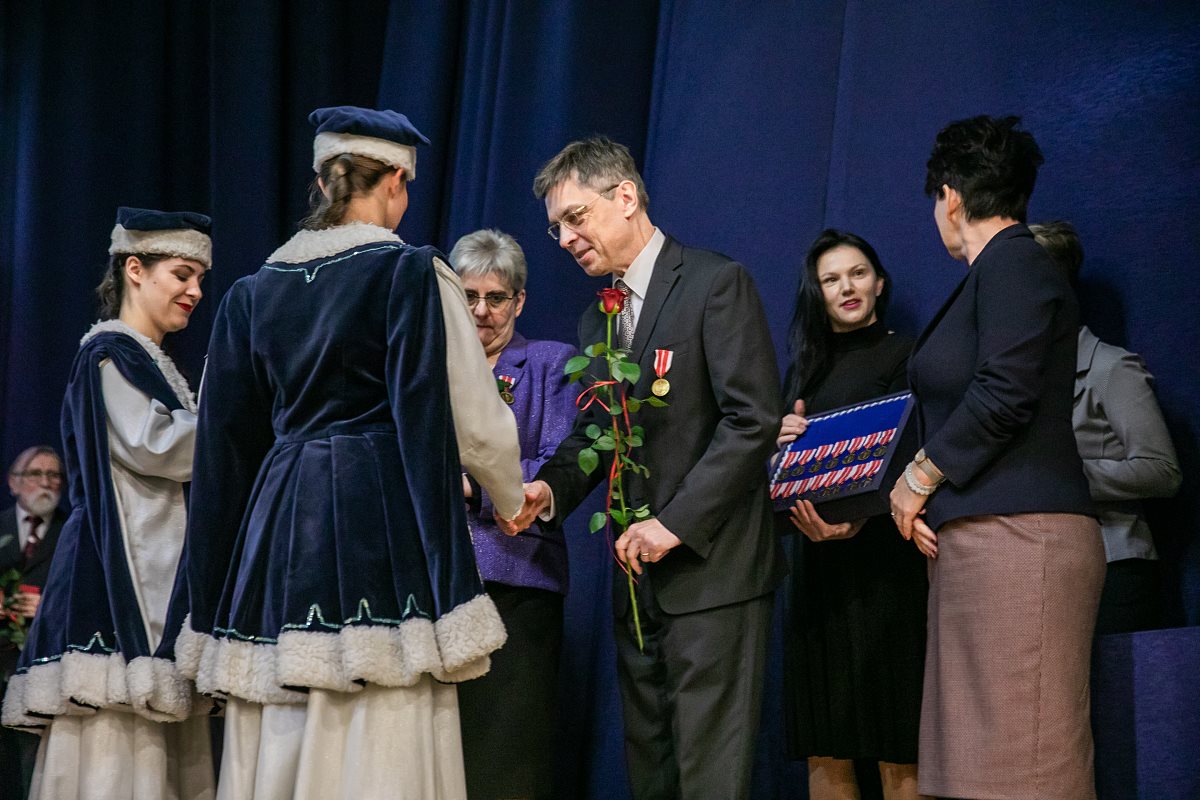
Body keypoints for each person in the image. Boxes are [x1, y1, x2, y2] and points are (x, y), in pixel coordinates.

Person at [174, 107, 525, 799]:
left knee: (282, 691)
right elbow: (474, 416)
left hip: (278, 524)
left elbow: (220, 448)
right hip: (377, 513)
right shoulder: (409, 273)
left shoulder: (250, 294)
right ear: (395, 181)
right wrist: (510, 496)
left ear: (321, 181)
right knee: (379, 694)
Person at [504, 136, 785, 800]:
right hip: (636, 580)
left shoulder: (715, 284)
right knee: (650, 770)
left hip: (711, 573)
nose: (565, 239)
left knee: (709, 775)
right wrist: (548, 490)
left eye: (575, 217)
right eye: (556, 228)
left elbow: (753, 422)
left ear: (625, 196)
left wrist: (673, 524)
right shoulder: (597, 317)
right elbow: (597, 431)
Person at [890, 115, 1104, 800]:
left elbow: (1005, 392)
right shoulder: (996, 272)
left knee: (1024, 773)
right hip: (984, 542)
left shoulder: (1014, 262)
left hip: (1021, 541)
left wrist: (919, 478)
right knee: (979, 773)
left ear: (950, 197)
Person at [2, 208, 215, 799]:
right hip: (115, 568)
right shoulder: (111, 353)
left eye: (200, 278)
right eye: (182, 275)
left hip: (156, 566)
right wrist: (230, 424)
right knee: (112, 746)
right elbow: (153, 444)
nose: (195, 291)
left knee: (153, 749)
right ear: (135, 269)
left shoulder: (150, 361)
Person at [776, 230, 927, 800]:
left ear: (879, 283)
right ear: (816, 292)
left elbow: (916, 451)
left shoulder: (909, 355)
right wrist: (778, 441)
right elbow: (776, 472)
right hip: (817, 571)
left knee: (898, 741)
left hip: (887, 566)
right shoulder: (801, 371)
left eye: (858, 273)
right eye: (831, 279)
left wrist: (859, 520)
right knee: (826, 742)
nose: (847, 287)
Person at [447, 228, 578, 800]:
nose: (481, 311)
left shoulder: (550, 363)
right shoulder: (425, 368)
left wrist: (470, 485)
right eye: (469, 296)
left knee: (506, 759)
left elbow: (554, 461)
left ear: (519, 301)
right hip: (435, 584)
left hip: (517, 582)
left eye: (496, 298)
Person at [1031, 220, 1182, 635]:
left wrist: (1068, 475)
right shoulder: (1017, 376)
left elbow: (1163, 471)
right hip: (1044, 568)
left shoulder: (1112, 368)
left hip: (1115, 567)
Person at [0, 446, 67, 799]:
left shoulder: (72, 532)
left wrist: (47, 607)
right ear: (14, 482)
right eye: (35, 474)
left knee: (31, 761)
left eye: (53, 475)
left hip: (43, 662)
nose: (46, 482)